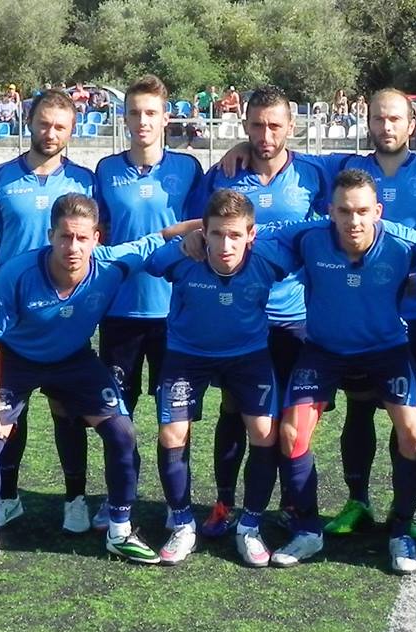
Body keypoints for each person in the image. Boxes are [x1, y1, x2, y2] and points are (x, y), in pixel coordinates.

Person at [218, 87, 416, 541]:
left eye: (395, 118)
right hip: (329, 332)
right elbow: (275, 156)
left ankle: (403, 519)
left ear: (413, 123)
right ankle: (345, 507)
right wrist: (246, 144)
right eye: (378, 118)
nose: (386, 126)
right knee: (343, 416)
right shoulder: (336, 172)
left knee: (408, 422)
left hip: (401, 322)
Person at [0, 193, 198, 579]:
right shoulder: (16, 273)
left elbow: (162, 236)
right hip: (17, 361)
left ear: (96, 238)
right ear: (50, 236)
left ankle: (120, 529)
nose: (73, 247)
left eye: (82, 238)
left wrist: (209, 227)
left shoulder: (111, 263)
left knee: (122, 433)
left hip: (74, 361)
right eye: (65, 237)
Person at [264, 169, 416, 573]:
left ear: (377, 211)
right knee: (291, 433)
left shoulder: (402, 242)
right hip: (323, 350)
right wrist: (197, 236)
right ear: (330, 211)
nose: (353, 221)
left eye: (362, 211)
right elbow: (248, 235)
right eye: (344, 211)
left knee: (412, 431)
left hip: (385, 349)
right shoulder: (308, 237)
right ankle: (307, 528)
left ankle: (400, 531)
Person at [198, 85, 330, 538]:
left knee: (288, 419)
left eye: (275, 125)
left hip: (293, 317)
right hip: (239, 318)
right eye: (256, 125)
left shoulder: (315, 174)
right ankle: (224, 502)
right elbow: (197, 228)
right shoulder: (224, 175)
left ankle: (291, 504)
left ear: (291, 127)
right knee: (234, 409)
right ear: (244, 126)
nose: (266, 135)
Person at [145, 189, 296, 567]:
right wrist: (184, 240)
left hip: (248, 355)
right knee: (172, 434)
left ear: (251, 234)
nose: (225, 245)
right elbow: (152, 262)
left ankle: (250, 526)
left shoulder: (270, 259)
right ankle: (183, 524)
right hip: (187, 355)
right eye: (216, 234)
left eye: (235, 235)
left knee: (264, 432)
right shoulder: (183, 256)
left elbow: (307, 248)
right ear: (204, 232)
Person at [0, 89, 95, 535]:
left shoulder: (85, 181)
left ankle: (75, 499)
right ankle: (8, 498)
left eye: (60, 126)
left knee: (67, 408)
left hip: (64, 316)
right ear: (30, 122)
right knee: (8, 413)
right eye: (44, 123)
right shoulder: (1, 177)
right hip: (12, 318)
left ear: (72, 130)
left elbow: (98, 247)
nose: (51, 132)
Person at [92, 74, 206, 531]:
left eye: (151, 113)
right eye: (135, 113)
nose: (143, 121)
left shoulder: (188, 169)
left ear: (165, 118)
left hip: (174, 314)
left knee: (174, 417)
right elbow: (99, 236)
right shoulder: (105, 170)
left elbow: (202, 226)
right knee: (116, 415)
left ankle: (177, 504)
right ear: (124, 118)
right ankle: (119, 496)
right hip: (119, 312)